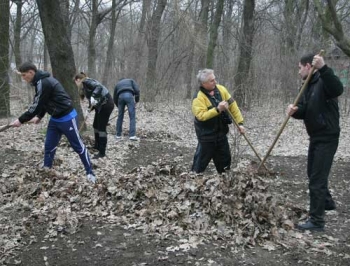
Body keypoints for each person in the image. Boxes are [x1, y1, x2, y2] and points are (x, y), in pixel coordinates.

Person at [11, 62, 96, 183]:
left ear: (31, 72)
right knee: (49, 146)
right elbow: (45, 101)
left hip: (67, 118)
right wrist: (40, 116)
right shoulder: (39, 82)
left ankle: (90, 173)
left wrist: (20, 120)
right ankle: (47, 170)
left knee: (78, 146)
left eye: (24, 75)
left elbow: (36, 105)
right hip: (55, 119)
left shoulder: (44, 82)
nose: (23, 78)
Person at [287, 53, 343, 231]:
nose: (298, 71)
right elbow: (305, 110)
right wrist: (294, 111)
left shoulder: (323, 80)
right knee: (313, 174)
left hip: (327, 136)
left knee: (317, 180)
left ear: (308, 66)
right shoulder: (308, 84)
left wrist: (324, 67)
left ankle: (317, 221)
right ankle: (326, 203)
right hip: (316, 136)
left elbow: (338, 89)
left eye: (299, 67)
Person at [191, 69, 245, 174]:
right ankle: (192, 184)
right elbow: (201, 116)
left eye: (214, 79)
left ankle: (224, 185)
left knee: (225, 166)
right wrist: (217, 109)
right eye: (211, 81)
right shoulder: (198, 98)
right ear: (203, 83)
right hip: (206, 138)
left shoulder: (221, 90)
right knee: (198, 168)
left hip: (221, 136)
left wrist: (240, 124)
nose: (215, 82)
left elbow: (233, 106)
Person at [74, 72, 114, 158]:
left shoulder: (87, 81)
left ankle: (102, 152)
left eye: (75, 82)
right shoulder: (84, 87)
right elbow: (93, 101)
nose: (76, 84)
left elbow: (98, 87)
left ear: (78, 80)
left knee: (101, 128)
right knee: (95, 125)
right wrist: (89, 109)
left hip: (106, 105)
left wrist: (94, 96)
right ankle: (97, 146)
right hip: (100, 106)